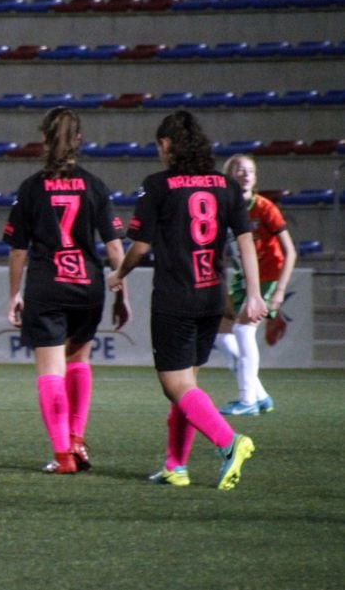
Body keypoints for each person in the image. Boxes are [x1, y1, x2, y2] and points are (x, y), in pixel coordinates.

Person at [107, 110, 267, 491]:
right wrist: (256, 293)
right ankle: (175, 465)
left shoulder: (157, 185)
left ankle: (229, 442)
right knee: (189, 382)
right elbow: (245, 242)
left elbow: (140, 246)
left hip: (176, 296)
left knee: (174, 384)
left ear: (166, 145)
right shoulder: (226, 186)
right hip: (212, 296)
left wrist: (118, 274)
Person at [3, 106, 130, 474]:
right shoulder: (95, 185)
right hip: (88, 285)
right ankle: (77, 439)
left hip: (48, 284)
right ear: (78, 140)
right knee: (79, 362)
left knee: (50, 371)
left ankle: (62, 454)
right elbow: (115, 247)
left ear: (43, 139)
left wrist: (13, 294)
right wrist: (123, 293)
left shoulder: (30, 189)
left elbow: (18, 249)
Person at [215, 155, 297, 416]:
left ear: (256, 177)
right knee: (221, 336)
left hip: (267, 276)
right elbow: (225, 254)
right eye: (239, 170)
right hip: (243, 279)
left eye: (250, 171)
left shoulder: (264, 208)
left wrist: (280, 292)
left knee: (242, 332)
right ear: (228, 176)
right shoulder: (224, 210)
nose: (245, 174)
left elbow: (290, 252)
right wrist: (225, 291)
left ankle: (247, 399)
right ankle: (261, 397)